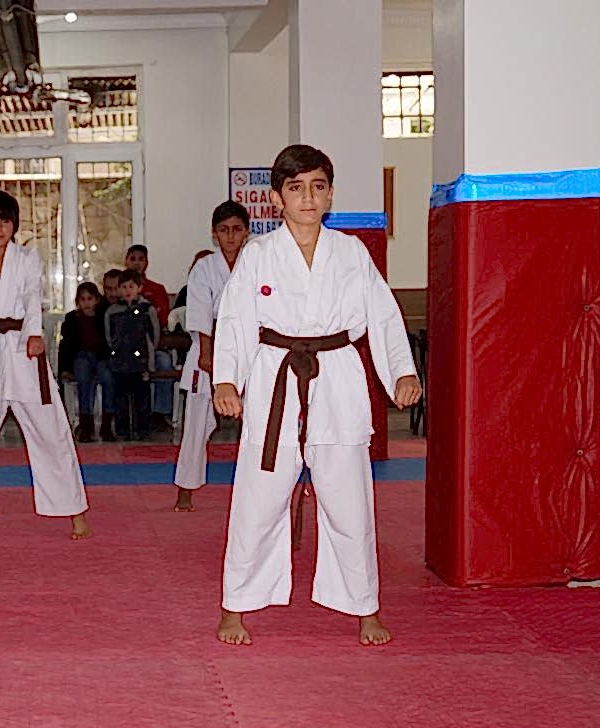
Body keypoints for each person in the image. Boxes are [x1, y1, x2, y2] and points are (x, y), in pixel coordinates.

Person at [211, 145, 421, 647]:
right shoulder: (259, 255)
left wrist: (401, 371)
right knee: (259, 499)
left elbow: (384, 315)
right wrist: (226, 379)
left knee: (349, 500)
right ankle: (235, 605)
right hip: (274, 376)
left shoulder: (351, 253)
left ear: (330, 194)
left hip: (337, 376)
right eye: (296, 188)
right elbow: (236, 319)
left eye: (318, 187)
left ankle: (364, 606)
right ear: (277, 198)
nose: (308, 197)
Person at [0, 189, 90, 541]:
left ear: (14, 225)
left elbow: (31, 296)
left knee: (50, 429)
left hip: (22, 348)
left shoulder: (28, 258)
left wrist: (34, 334)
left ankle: (74, 509)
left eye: (5, 221)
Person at [173, 201, 250, 513]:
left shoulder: (256, 262)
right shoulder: (204, 268)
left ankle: (258, 488)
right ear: (214, 233)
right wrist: (207, 356)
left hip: (248, 348)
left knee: (257, 421)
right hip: (209, 347)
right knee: (196, 424)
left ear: (247, 232)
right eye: (223, 230)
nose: (230, 236)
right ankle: (185, 488)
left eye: (236, 229)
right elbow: (200, 314)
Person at [57, 281, 117, 442]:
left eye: (89, 298)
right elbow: (66, 345)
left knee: (108, 379)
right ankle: (86, 426)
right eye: (82, 299)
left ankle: (106, 425)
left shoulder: (104, 316)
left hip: (101, 357)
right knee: (84, 380)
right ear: (77, 301)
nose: (86, 303)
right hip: (81, 356)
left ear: (97, 299)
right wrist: (64, 368)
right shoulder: (72, 319)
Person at [104, 269, 160, 441]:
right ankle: (123, 429)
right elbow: (109, 335)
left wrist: (149, 362)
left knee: (142, 398)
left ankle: (143, 428)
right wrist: (115, 352)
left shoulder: (147, 309)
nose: (127, 290)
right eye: (124, 287)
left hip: (141, 362)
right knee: (120, 398)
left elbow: (154, 335)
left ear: (139, 288)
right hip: (120, 362)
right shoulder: (112, 311)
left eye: (131, 286)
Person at [124, 245, 173, 433]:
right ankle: (124, 416)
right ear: (126, 261)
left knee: (164, 362)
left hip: (152, 347)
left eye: (141, 259)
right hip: (125, 350)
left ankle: (160, 414)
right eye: (133, 258)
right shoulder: (120, 288)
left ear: (147, 263)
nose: (137, 263)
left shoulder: (157, 289)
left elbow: (162, 321)